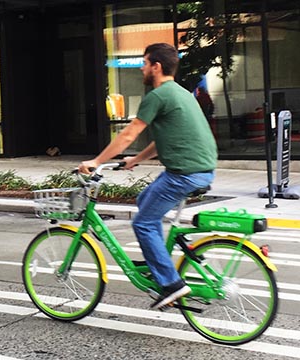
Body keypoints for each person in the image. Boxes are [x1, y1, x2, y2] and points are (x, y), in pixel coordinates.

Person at [79, 43, 217, 309]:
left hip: (184, 175)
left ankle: (172, 284)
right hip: (199, 170)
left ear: (157, 66)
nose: (142, 68)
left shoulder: (158, 95)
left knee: (142, 223)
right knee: (145, 201)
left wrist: (96, 161)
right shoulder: (181, 93)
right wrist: (136, 159)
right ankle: (159, 262)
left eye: (144, 63)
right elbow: (165, 138)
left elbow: (129, 134)